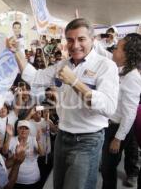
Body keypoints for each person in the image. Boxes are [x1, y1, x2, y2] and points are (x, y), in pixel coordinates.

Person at [9, 18, 119, 189]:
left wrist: (75, 82)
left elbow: (109, 107)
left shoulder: (106, 66)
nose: (75, 45)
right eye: (70, 40)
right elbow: (35, 77)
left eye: (81, 39)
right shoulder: (63, 64)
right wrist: (16, 51)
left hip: (87, 140)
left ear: (93, 40)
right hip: (62, 136)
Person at [101, 33, 141, 189]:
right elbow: (104, 53)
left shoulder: (133, 77)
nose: (114, 51)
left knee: (108, 168)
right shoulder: (119, 68)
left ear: (127, 54)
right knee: (106, 166)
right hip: (109, 125)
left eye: (117, 48)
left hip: (117, 129)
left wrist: (118, 138)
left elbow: (130, 112)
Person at [2, 120, 44, 188]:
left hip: (33, 180)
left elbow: (42, 153)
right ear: (17, 130)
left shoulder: (34, 139)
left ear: (29, 130)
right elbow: (4, 151)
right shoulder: (12, 139)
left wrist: (38, 141)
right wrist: (9, 136)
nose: (23, 130)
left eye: (26, 128)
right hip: (15, 180)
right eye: (21, 128)